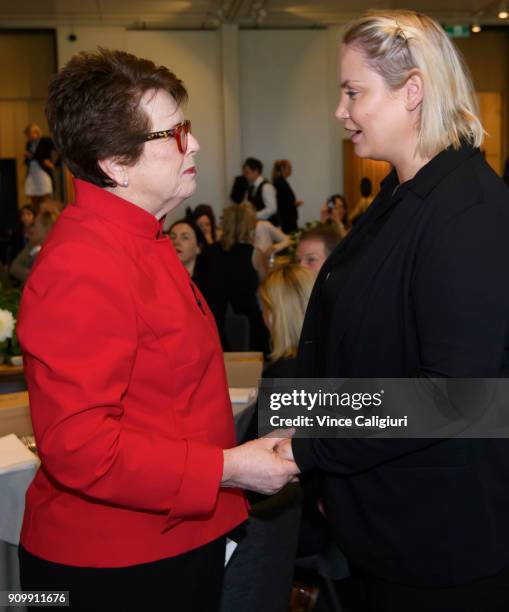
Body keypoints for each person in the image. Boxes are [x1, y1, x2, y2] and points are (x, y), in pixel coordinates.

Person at [17, 49, 298, 612]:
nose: (192, 144)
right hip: (112, 567)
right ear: (115, 164)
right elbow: (80, 447)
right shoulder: (84, 263)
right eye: (173, 133)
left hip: (166, 542)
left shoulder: (139, 239)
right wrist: (229, 467)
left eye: (186, 128)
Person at [276, 10, 509, 611]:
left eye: (353, 92)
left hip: (438, 545)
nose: (340, 111)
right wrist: (304, 423)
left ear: (413, 92)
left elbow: (452, 395)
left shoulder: (467, 211)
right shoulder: (401, 196)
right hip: (385, 521)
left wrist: (309, 447)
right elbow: (359, 345)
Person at [221, 264, 314, 612]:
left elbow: (261, 478)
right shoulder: (320, 369)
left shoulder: (284, 381)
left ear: (275, 315)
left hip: (273, 536)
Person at [220, 202, 269, 354]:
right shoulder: (254, 253)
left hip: (220, 317)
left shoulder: (213, 251)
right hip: (249, 318)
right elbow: (266, 283)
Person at [9, 210, 58, 285]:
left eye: (35, 225)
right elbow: (14, 268)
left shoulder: (56, 250)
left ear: (47, 228)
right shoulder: (32, 245)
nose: (33, 229)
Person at [23, 123, 55, 209]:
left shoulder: (46, 141)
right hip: (31, 172)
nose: (28, 137)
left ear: (36, 132)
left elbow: (59, 150)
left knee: (45, 196)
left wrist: (55, 164)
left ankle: (48, 219)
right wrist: (27, 158)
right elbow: (28, 159)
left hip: (43, 171)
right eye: (27, 135)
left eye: (29, 135)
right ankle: (36, 218)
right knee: (33, 197)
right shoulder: (28, 144)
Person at [242, 157, 279, 224]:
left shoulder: (266, 187)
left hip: (269, 226)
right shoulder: (250, 187)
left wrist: (255, 215)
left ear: (256, 171)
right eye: (244, 172)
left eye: (247, 172)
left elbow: (272, 208)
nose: (245, 175)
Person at [272, 160, 302, 233]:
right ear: (282, 169)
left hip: (288, 218)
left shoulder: (281, 182)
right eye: (289, 168)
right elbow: (282, 203)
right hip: (286, 219)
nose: (291, 170)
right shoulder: (279, 183)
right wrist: (294, 204)